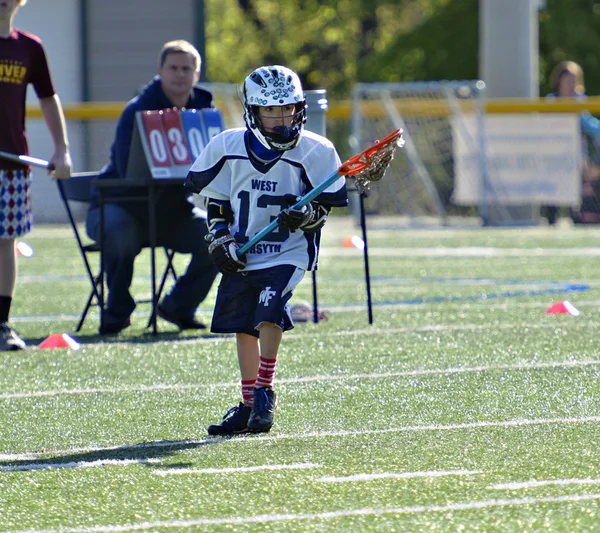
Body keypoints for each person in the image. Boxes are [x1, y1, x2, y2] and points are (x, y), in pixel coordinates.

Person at [186, 65, 348, 435]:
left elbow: (323, 208)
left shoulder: (315, 150)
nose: (281, 118)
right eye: (271, 110)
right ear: (254, 112)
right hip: (245, 248)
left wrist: (305, 215)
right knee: (242, 325)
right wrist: (221, 238)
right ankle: (247, 405)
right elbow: (217, 202)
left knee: (268, 311)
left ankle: (264, 392)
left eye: (288, 108)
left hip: (288, 250)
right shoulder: (227, 146)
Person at [86, 40, 217, 335]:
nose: (180, 75)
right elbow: (125, 167)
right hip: (121, 206)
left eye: (187, 69)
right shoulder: (137, 110)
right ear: (159, 71)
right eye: (173, 68)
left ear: (196, 75)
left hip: (171, 211)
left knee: (219, 238)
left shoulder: (205, 111)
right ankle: (117, 311)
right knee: (120, 237)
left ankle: (179, 306)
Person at [0, 0, 72, 350]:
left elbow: (48, 98)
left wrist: (63, 149)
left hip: (12, 165)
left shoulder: (29, 47)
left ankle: (1, 323)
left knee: (5, 244)